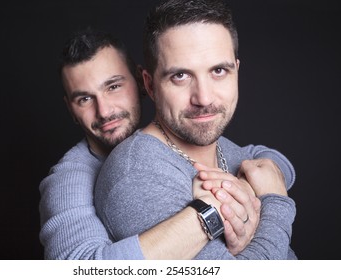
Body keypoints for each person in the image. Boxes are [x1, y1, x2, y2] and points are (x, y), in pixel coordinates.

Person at [39, 26, 295, 259]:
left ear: (142, 83)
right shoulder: (69, 179)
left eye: (114, 87)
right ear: (70, 109)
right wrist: (213, 209)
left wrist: (243, 190)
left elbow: (262, 158)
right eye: (84, 99)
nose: (104, 111)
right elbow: (81, 269)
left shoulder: (172, 134)